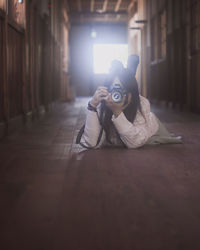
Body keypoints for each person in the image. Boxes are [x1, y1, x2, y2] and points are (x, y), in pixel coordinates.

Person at [77, 60, 182, 149]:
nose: (117, 95)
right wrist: (92, 106)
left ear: (132, 93)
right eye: (114, 90)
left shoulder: (141, 104)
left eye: (122, 90)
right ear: (107, 90)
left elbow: (134, 143)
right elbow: (91, 143)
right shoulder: (104, 102)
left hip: (150, 128)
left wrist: (117, 112)